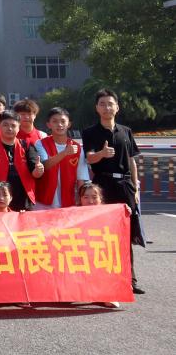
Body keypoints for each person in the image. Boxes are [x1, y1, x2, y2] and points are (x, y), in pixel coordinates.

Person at [80, 89, 144, 295]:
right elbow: (89, 158)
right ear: (96, 108)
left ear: (117, 107)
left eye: (110, 104)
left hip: (125, 185)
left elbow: (132, 161)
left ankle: (130, 279)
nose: (107, 107)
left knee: (126, 233)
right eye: (102, 104)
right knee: (102, 234)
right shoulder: (90, 132)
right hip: (103, 186)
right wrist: (101, 154)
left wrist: (135, 188)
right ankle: (103, 279)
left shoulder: (126, 131)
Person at [0, 112, 44, 212]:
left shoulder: (27, 146)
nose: (9, 128)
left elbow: (35, 173)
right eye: (5, 125)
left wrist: (39, 171)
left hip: (23, 202)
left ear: (19, 128)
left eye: (13, 125)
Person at [33, 107, 86, 210]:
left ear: (69, 124)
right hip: (43, 201)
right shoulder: (40, 143)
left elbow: (81, 177)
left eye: (63, 121)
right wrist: (65, 153)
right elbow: (45, 165)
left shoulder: (77, 147)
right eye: (55, 121)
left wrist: (81, 200)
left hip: (69, 201)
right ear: (48, 124)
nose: (59, 124)